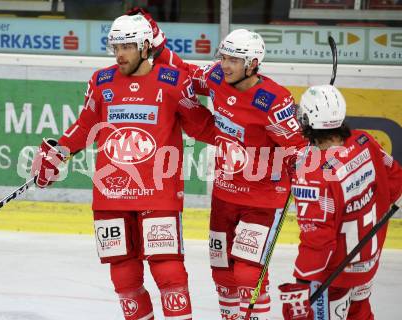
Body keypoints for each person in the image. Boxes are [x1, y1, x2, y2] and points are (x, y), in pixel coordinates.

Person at [31, 14, 215, 320]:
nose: (119, 54)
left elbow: (202, 127)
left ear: (145, 46)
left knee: (168, 272)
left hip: (158, 193)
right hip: (110, 194)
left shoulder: (174, 81)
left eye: (127, 47)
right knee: (124, 277)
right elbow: (85, 125)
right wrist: (58, 153)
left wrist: (249, 136)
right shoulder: (101, 80)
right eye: (115, 46)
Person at [129, 9, 309, 319]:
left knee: (247, 273)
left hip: (263, 199)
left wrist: (300, 165)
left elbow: (299, 148)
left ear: (252, 64)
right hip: (225, 194)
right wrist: (153, 39)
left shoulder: (273, 101)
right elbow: (183, 70)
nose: (224, 65)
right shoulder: (216, 77)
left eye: (233, 60)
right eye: (223, 57)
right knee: (221, 267)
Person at [278, 85, 402, 320]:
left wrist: (303, 282)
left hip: (335, 275)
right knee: (360, 313)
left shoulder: (312, 177)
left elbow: (318, 241)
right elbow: (395, 182)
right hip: (367, 263)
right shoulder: (364, 141)